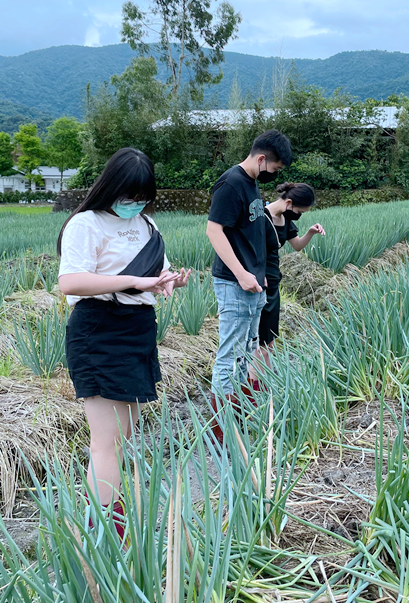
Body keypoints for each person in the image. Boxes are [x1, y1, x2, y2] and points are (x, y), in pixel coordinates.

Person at [57, 148, 190, 538]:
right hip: (99, 328)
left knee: (124, 435)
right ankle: (104, 531)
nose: (135, 204)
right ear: (111, 187)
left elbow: (154, 271)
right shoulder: (86, 223)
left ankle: (108, 522)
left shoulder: (147, 224)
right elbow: (72, 282)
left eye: (142, 198)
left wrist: (168, 280)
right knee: (106, 441)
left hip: (137, 327)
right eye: (129, 197)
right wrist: (133, 282)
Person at [205, 129, 292, 441]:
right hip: (234, 284)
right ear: (261, 158)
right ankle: (220, 432)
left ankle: (237, 418)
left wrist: (259, 272)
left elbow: (251, 233)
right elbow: (214, 231)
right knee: (229, 355)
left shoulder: (252, 183)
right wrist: (242, 273)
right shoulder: (231, 183)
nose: (276, 175)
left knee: (247, 351)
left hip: (255, 284)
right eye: (276, 169)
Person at [252, 182, 326, 382]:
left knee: (269, 341)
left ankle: (264, 384)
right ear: (290, 202)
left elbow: (297, 246)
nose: (299, 215)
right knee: (260, 342)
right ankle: (253, 388)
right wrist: (257, 275)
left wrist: (310, 232)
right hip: (259, 283)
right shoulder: (260, 217)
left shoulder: (285, 218)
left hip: (274, 282)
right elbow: (247, 249)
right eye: (300, 211)